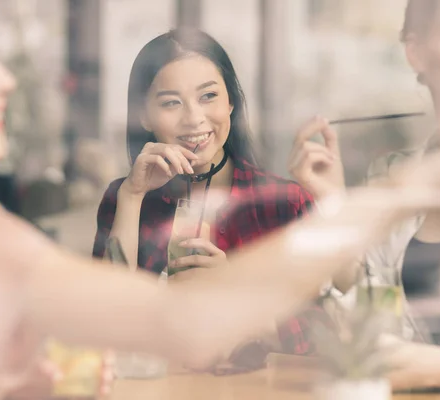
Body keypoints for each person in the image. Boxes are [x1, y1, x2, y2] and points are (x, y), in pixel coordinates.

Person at [0, 1, 440, 399]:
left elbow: (333, 328)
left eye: (209, 96)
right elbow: (123, 332)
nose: (5, 79)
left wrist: (360, 204)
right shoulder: (106, 203)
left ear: (231, 104)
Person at [289, 0, 440, 395]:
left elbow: (419, 365)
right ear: (416, 52)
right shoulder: (397, 179)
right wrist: (335, 204)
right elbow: (371, 331)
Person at [92, 28, 330, 363]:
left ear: (230, 102)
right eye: (171, 102)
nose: (194, 118)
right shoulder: (125, 198)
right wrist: (132, 195)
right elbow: (101, 323)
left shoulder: (285, 202)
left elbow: (320, 338)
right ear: (143, 115)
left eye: (208, 97)